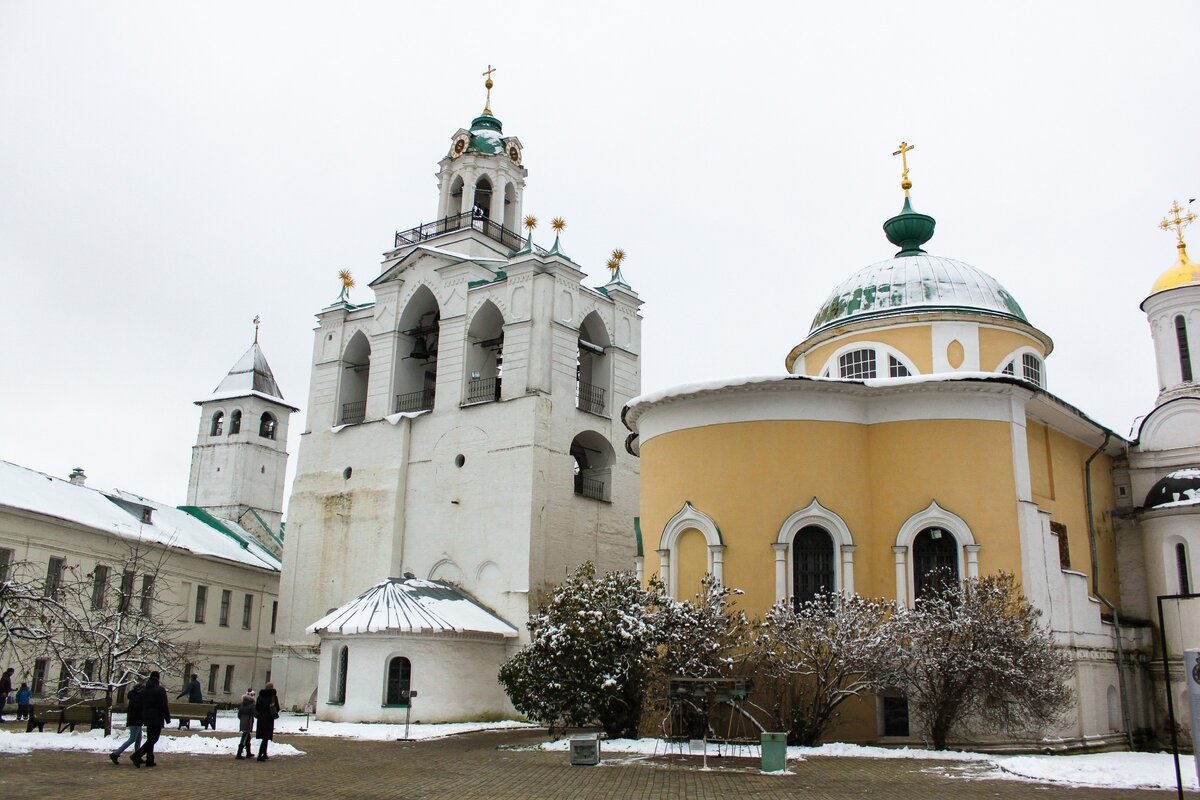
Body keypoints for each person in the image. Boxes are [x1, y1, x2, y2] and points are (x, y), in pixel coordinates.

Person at [130, 672, 170, 768]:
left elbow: (141, 704)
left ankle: (150, 760)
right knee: (153, 739)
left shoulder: (145, 690)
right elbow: (164, 705)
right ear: (158, 678)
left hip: (147, 718)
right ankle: (136, 755)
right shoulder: (160, 690)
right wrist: (167, 717)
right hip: (157, 717)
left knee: (150, 739)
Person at [109, 681, 144, 765]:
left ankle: (137, 756)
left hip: (135, 721)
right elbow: (138, 711)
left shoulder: (134, 697)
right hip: (136, 721)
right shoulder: (137, 699)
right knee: (132, 739)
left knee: (138, 739)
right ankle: (116, 754)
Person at [254, 682, 280, 761]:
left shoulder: (260, 697)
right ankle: (260, 755)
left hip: (261, 718)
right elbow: (277, 707)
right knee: (266, 737)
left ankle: (264, 753)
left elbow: (257, 707)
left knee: (264, 737)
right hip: (268, 718)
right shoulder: (273, 697)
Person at [235, 688, 255, 759]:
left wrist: (242, 719)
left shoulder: (242, 704)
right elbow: (254, 713)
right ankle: (239, 753)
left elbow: (239, 714)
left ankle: (248, 752)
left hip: (242, 721)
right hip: (248, 722)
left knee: (247, 736)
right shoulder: (252, 704)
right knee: (245, 736)